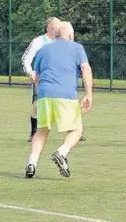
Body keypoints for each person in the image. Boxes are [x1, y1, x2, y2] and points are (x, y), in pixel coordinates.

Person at [24, 22, 93, 178]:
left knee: (41, 131)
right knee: (76, 130)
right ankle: (61, 153)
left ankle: (32, 163)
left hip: (44, 94)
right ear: (69, 35)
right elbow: (85, 69)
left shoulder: (43, 50)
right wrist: (88, 94)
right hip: (66, 94)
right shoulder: (77, 48)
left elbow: (37, 76)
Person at [21, 17, 86, 143]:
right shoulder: (39, 42)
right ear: (49, 28)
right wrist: (31, 73)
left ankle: (74, 131)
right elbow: (26, 59)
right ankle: (34, 132)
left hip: (63, 81)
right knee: (36, 105)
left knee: (70, 103)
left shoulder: (65, 42)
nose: (58, 28)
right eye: (56, 26)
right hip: (43, 79)